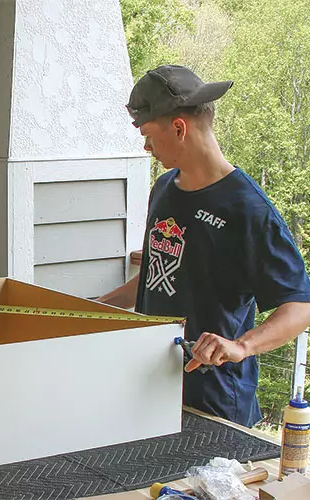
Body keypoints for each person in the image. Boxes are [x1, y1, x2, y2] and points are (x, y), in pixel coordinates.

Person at [97, 65, 310, 428]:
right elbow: (157, 274)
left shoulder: (248, 209)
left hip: (215, 403)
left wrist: (241, 346)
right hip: (151, 386)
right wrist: (92, 309)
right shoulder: (164, 189)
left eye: (148, 134)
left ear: (179, 128)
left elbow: (300, 306)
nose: (145, 146)